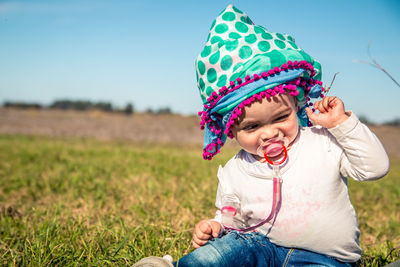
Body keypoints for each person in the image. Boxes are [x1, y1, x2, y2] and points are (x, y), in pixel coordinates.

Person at [133, 4, 389, 267]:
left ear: (297, 104)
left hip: (324, 258)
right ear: (230, 130)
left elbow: (375, 168)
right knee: (212, 258)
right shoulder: (237, 169)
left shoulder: (323, 142)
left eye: (280, 117)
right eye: (252, 127)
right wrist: (217, 225)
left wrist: (342, 125)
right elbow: (232, 218)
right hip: (259, 246)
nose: (269, 133)